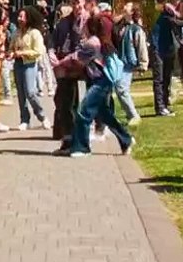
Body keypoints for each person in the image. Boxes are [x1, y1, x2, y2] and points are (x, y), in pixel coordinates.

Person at [57, 13, 135, 158]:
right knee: (105, 114)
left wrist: (59, 63)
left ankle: (82, 147)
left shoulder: (93, 42)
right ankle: (126, 140)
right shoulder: (97, 41)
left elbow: (77, 57)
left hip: (101, 81)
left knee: (83, 112)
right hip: (98, 80)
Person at [50, 0, 87, 152]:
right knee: (66, 103)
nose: (76, 6)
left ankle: (82, 139)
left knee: (89, 105)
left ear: (83, 1)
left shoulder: (89, 21)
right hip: (66, 67)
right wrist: (51, 51)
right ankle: (68, 139)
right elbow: (53, 40)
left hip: (85, 66)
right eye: (73, 3)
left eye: (78, 2)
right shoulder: (64, 22)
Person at [10, 6, 50, 131]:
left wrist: (22, 53)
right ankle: (24, 120)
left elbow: (38, 51)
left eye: (22, 16)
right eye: (19, 16)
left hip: (29, 64)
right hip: (18, 64)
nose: (19, 19)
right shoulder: (16, 32)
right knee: (21, 93)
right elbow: (11, 47)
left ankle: (42, 116)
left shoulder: (35, 33)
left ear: (28, 18)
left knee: (30, 92)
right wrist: (10, 53)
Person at [150, 0, 180, 117]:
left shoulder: (170, 18)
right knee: (159, 80)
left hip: (168, 50)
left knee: (166, 79)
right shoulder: (165, 18)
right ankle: (160, 107)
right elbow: (178, 19)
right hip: (158, 50)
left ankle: (165, 104)